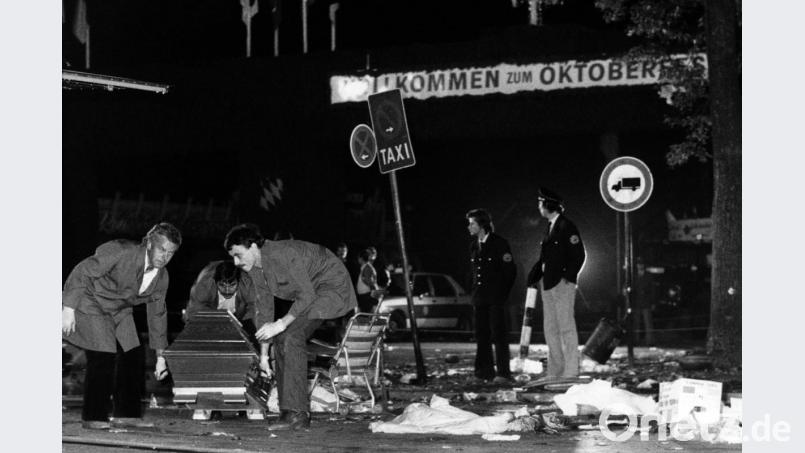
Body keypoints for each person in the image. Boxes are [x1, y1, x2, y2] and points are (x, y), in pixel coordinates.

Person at [224, 223, 357, 431]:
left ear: (252, 247)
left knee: (291, 335)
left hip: (332, 285)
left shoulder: (281, 254)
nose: (236, 262)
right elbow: (264, 308)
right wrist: (265, 355)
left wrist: (281, 323)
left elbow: (306, 295)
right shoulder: (256, 268)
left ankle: (297, 413)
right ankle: (289, 411)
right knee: (281, 338)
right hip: (313, 290)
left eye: (238, 255)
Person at [61, 222, 182, 430]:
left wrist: (161, 356)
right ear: (150, 244)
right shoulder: (121, 251)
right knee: (103, 352)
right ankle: (94, 417)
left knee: (133, 352)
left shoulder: (162, 277)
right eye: (162, 249)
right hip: (91, 301)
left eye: (171, 253)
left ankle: (127, 414)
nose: (165, 257)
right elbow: (83, 270)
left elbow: (157, 316)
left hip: (119, 310)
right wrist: (68, 308)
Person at [527, 188, 586, 378]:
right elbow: (547, 257)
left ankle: (570, 372)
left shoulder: (566, 226)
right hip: (548, 283)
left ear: (548, 205)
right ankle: (555, 371)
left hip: (561, 284)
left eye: (540, 202)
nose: (538, 206)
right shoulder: (550, 227)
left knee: (566, 328)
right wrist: (534, 274)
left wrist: (567, 278)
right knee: (550, 329)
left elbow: (579, 255)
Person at [466, 209, 516, 384]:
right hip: (480, 299)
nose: (469, 227)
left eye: (472, 223)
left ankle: (503, 373)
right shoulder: (474, 246)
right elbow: (474, 273)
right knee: (482, 336)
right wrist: (473, 294)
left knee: (499, 336)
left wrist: (501, 296)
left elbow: (509, 272)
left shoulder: (499, 243)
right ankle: (483, 372)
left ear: (482, 225)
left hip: (496, 299)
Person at [185, 260, 258, 336]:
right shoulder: (204, 287)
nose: (227, 291)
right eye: (222, 285)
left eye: (232, 285)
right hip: (207, 312)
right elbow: (193, 315)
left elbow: (258, 314)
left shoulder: (247, 286)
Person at [355, 248, 381, 313]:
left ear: (361, 258)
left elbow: (370, 282)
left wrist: (374, 296)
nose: (358, 260)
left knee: (366, 317)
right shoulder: (364, 267)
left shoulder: (367, 268)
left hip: (367, 297)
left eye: (358, 258)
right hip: (364, 297)